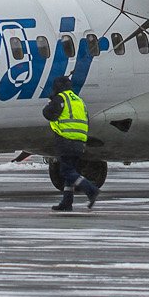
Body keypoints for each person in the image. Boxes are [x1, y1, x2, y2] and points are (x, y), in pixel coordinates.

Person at [42, 75, 100, 212]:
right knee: (71, 171)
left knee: (66, 171)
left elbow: (48, 114)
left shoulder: (61, 99)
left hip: (66, 139)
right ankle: (67, 202)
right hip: (79, 140)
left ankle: (90, 189)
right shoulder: (78, 100)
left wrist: (50, 102)